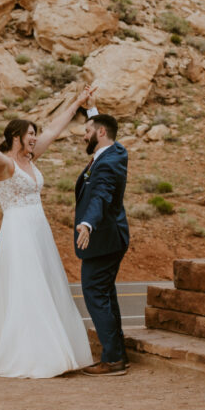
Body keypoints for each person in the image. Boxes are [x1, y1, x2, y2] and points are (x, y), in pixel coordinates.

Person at [0, 86, 97, 379]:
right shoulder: (4, 163)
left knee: (47, 286)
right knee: (28, 288)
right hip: (18, 231)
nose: (36, 138)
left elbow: (54, 128)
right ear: (16, 138)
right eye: (30, 135)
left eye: (35, 135)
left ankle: (57, 348)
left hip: (39, 229)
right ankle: (34, 355)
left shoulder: (31, 159)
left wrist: (77, 102)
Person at [74, 109, 131, 376]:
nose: (84, 136)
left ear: (100, 133)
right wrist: (94, 109)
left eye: (87, 131)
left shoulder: (107, 163)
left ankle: (113, 359)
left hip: (103, 238)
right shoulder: (115, 152)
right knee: (105, 294)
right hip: (112, 238)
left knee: (95, 294)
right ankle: (117, 353)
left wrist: (88, 223)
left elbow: (101, 195)